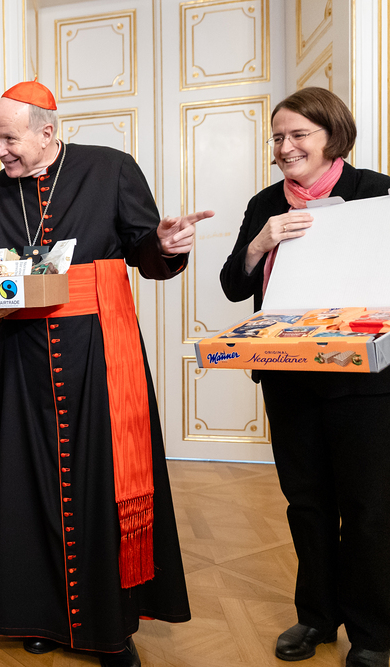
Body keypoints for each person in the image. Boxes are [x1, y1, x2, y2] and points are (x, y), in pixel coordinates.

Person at [0, 81, 211, 667]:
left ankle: (111, 626)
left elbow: (144, 251)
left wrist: (165, 244)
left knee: (104, 481)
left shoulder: (110, 169)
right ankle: (38, 613)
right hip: (24, 360)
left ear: (47, 132)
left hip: (100, 353)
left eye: (8, 138)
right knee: (29, 483)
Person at [220, 87, 390, 667]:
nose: (285, 147)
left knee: (368, 507)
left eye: (298, 135)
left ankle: (373, 633)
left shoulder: (378, 192)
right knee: (307, 504)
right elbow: (234, 285)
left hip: (363, 383)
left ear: (332, 135)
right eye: (277, 137)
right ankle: (316, 616)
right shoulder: (265, 203)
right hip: (287, 377)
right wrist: (260, 242)